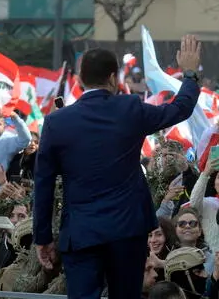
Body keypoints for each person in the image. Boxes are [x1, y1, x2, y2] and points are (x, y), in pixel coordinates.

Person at [33, 36, 202, 299]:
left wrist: (42, 237)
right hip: (127, 230)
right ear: (114, 78)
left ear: (79, 80)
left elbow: (42, 183)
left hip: (81, 232)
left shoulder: (56, 122)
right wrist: (189, 75)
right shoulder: (131, 108)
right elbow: (179, 109)